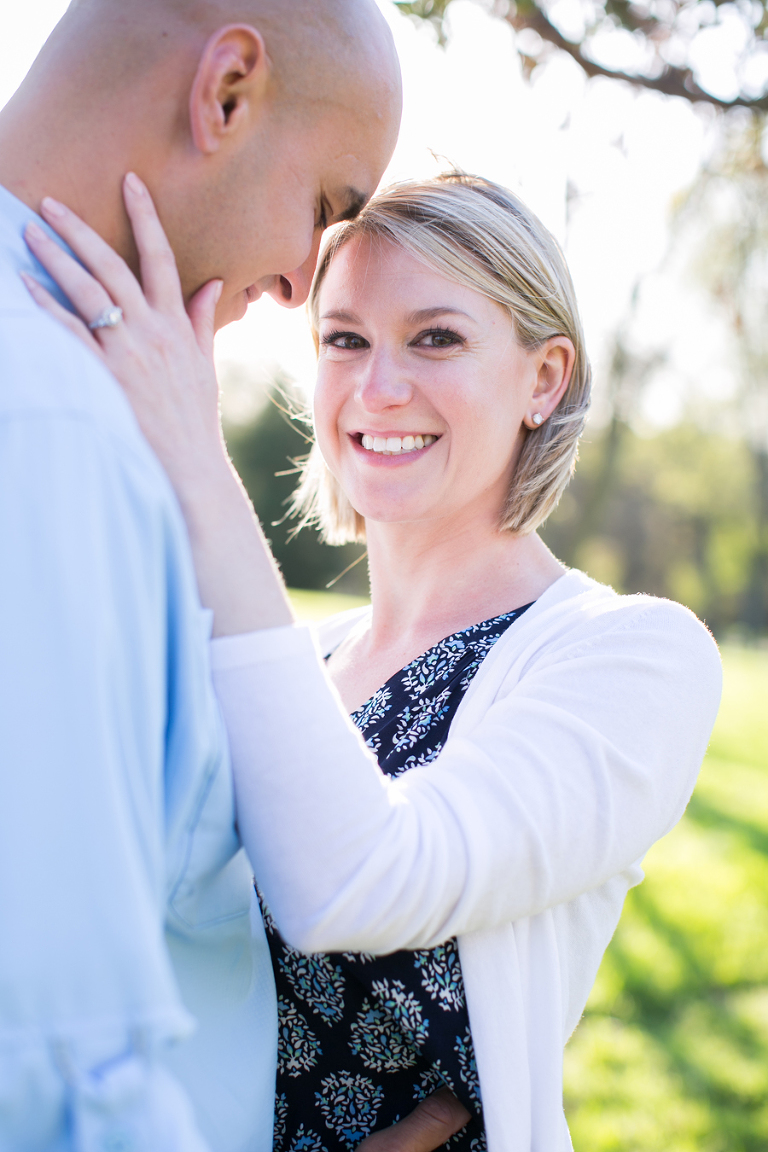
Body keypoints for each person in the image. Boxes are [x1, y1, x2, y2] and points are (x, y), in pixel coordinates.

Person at [26, 173, 723, 1151]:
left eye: (435, 337)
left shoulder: (635, 657)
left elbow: (354, 881)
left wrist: (192, 452)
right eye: (344, 338)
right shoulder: (294, 661)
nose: (377, 388)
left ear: (544, 377)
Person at [0, 0, 401, 1148]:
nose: (298, 282)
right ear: (226, 92)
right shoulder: (53, 427)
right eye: (326, 206)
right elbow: (55, 1073)